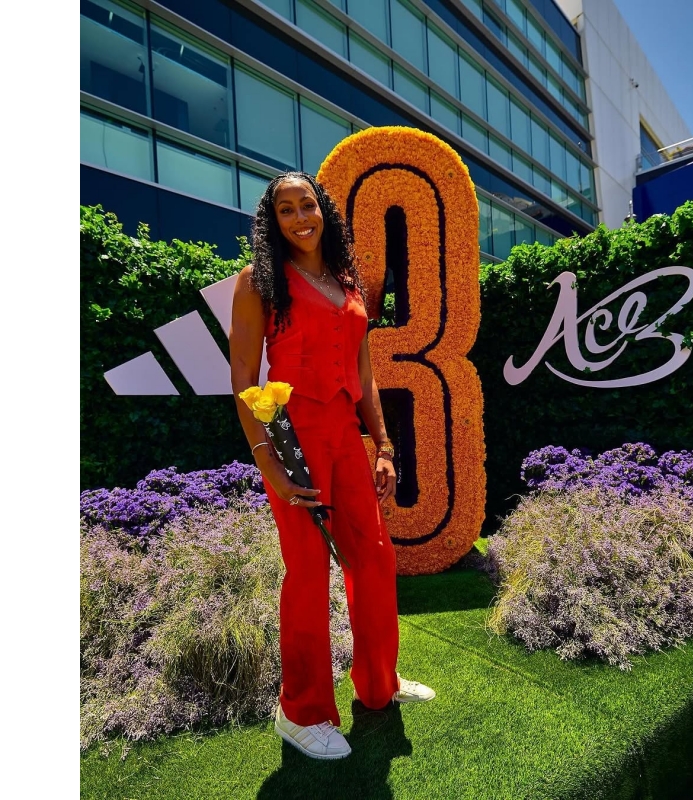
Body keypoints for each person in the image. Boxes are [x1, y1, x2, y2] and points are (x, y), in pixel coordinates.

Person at [229, 171, 435, 760]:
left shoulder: (346, 281)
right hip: (293, 436)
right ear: (273, 220)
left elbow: (363, 372)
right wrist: (267, 461)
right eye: (286, 209)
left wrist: (384, 445)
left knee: (374, 557)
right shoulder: (258, 281)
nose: (300, 218)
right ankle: (301, 712)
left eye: (308, 205)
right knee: (308, 571)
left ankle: (378, 683)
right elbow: (242, 376)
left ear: (324, 211)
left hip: (345, 434)